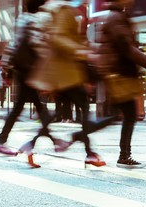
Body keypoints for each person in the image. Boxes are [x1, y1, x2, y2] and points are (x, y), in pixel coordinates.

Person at [24, 0, 107, 168]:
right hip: (66, 70)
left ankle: (30, 145)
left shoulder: (55, 9)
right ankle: (89, 153)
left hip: (60, 71)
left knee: (64, 110)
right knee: (83, 108)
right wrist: (81, 52)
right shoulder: (62, 9)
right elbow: (59, 38)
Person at [0, 0, 68, 167]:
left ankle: (52, 140)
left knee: (37, 107)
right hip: (31, 70)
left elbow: (14, 44)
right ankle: (2, 141)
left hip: (22, 69)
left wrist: (8, 67)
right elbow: (40, 45)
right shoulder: (38, 20)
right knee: (27, 107)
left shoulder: (23, 19)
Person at [92, 0, 146, 168]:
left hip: (118, 74)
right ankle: (123, 155)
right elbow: (126, 47)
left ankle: (122, 154)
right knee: (127, 115)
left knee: (120, 115)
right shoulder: (116, 18)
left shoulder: (118, 16)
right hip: (120, 75)